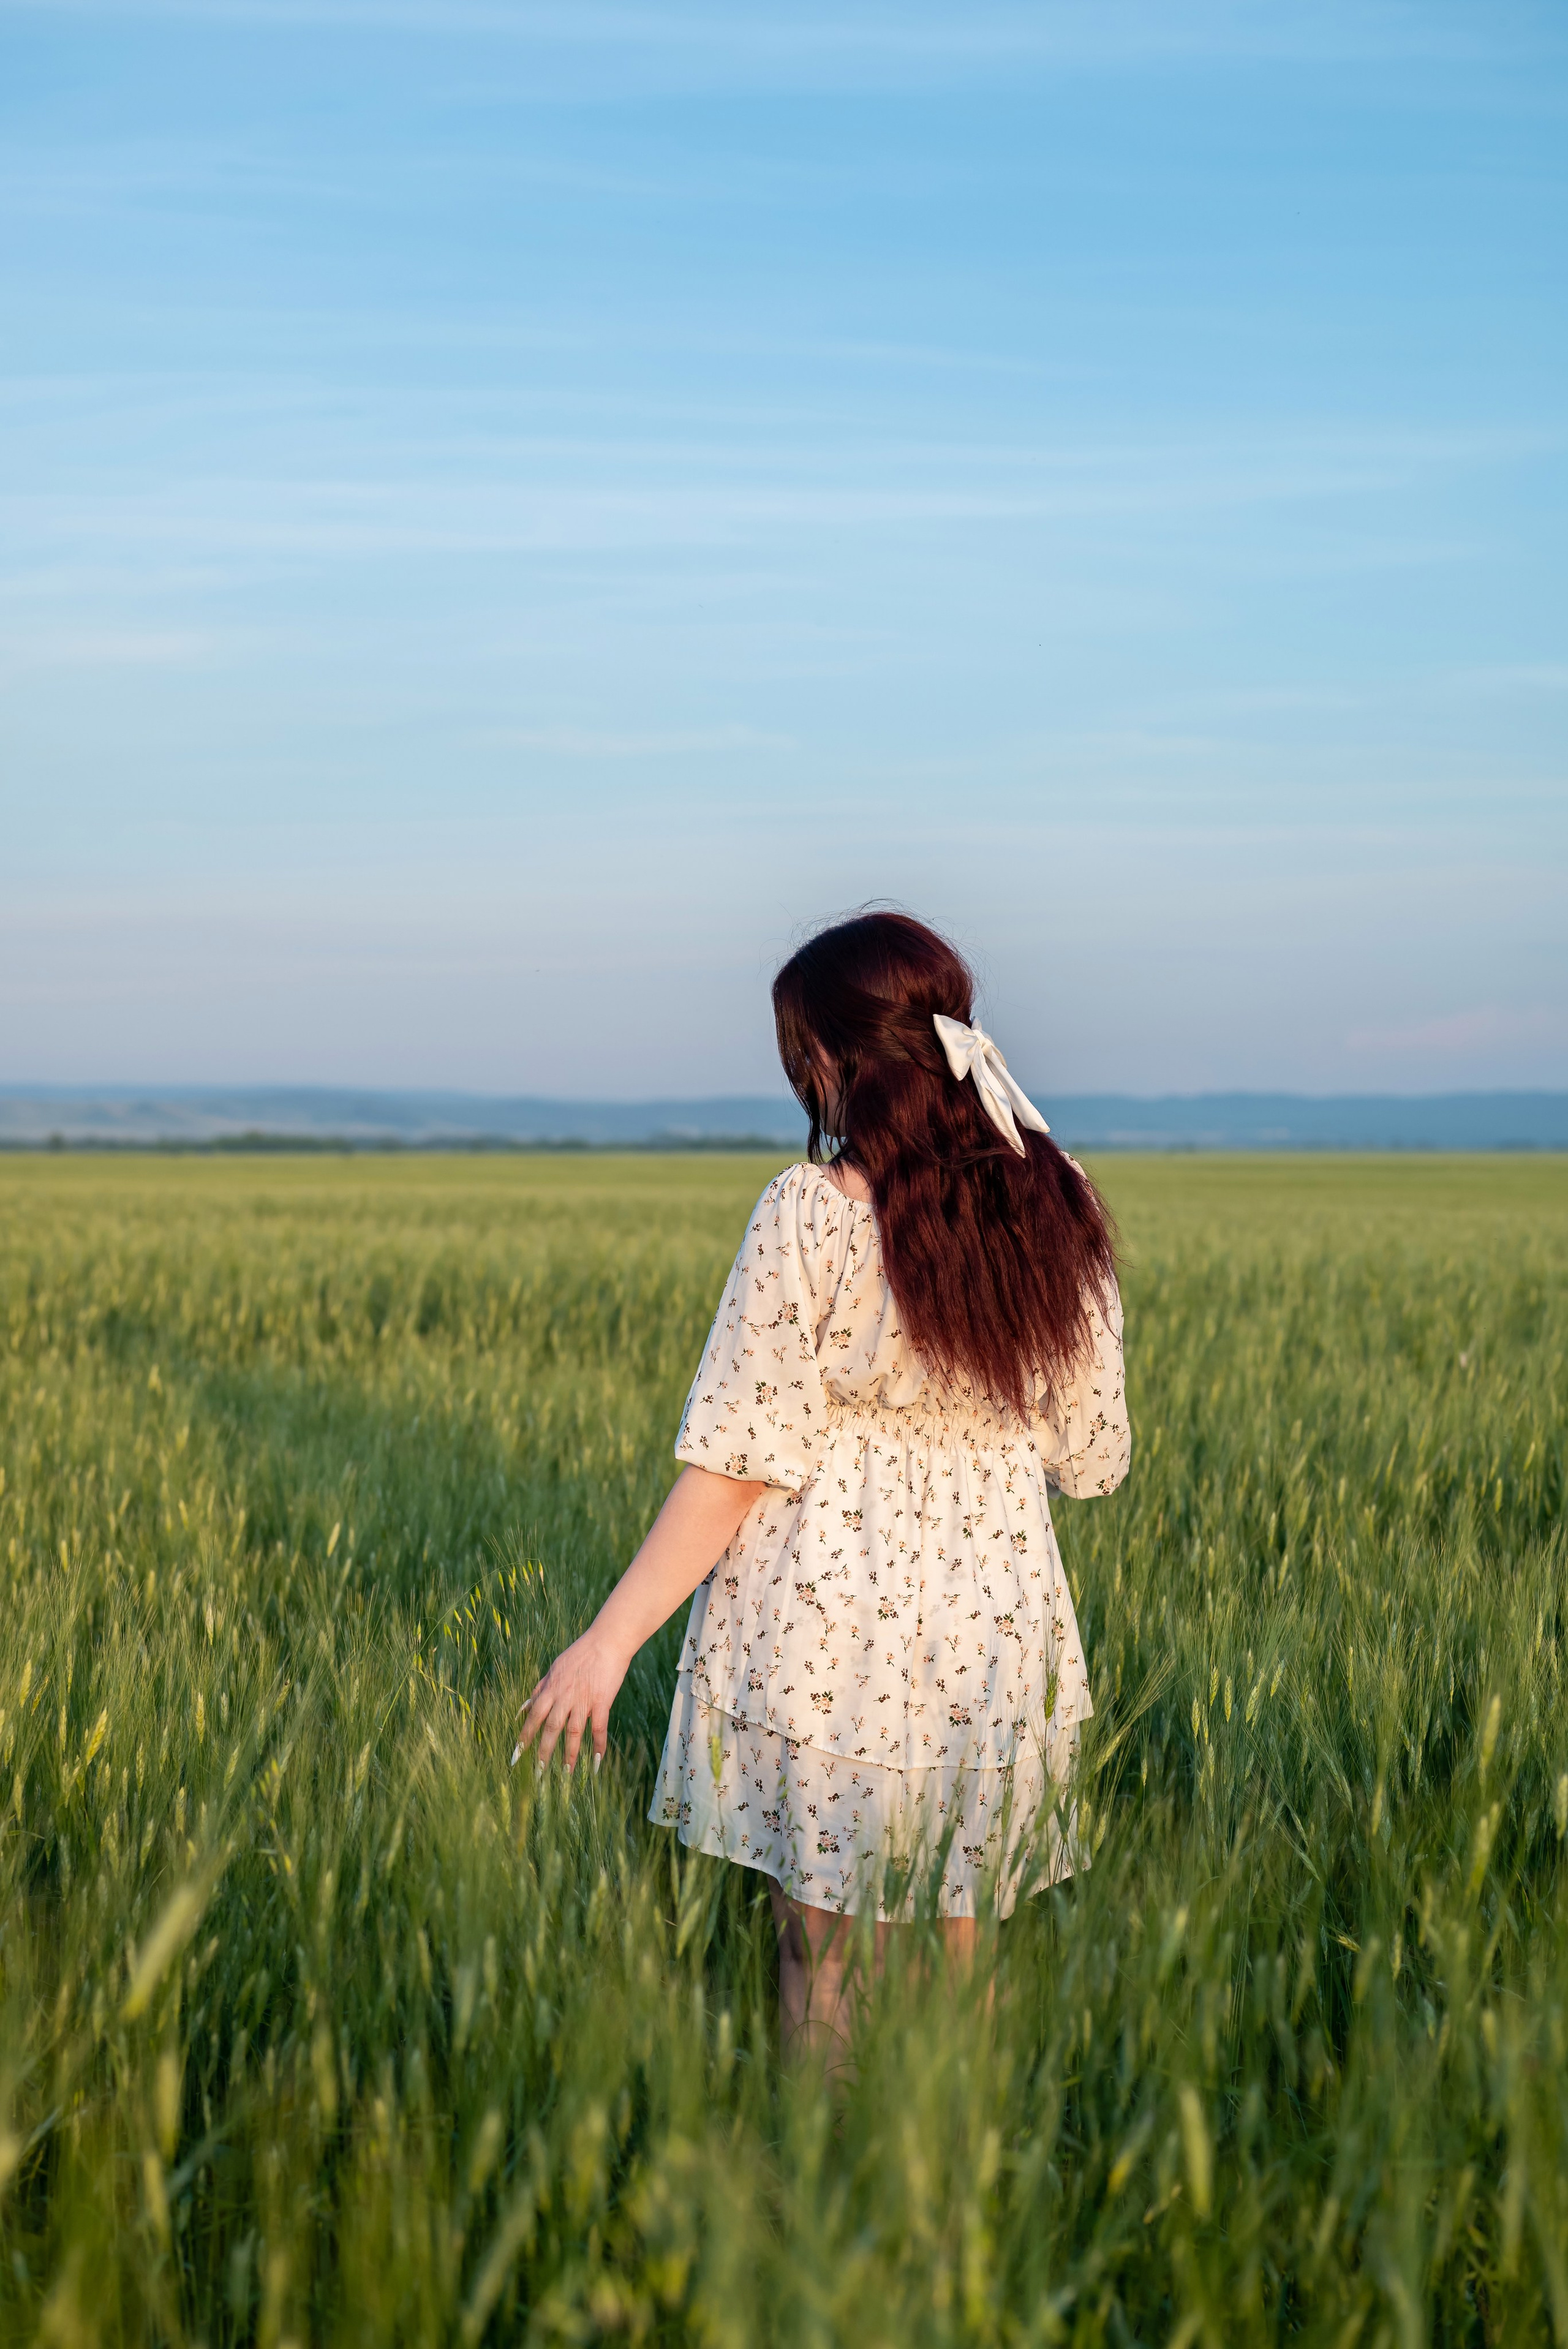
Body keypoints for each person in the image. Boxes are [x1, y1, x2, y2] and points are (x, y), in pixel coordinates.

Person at [515, 911, 1129, 2062]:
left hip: (824, 1623)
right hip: (995, 1631)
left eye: (801, 1056)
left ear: (838, 1060)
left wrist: (607, 1643)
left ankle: (821, 2169)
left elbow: (737, 1463)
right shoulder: (1061, 1202)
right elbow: (1093, 1457)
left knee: (826, 1956)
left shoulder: (808, 1213)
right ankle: (954, 2165)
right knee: (962, 1947)